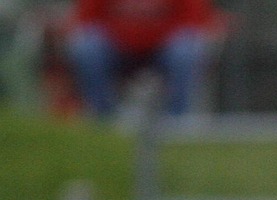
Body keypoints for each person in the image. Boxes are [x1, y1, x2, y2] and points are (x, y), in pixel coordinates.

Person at [65, 0, 218, 119]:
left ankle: (178, 122)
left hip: (164, 51)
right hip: (116, 49)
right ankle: (102, 117)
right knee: (87, 48)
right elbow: (86, 22)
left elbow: (194, 25)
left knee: (186, 50)